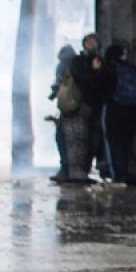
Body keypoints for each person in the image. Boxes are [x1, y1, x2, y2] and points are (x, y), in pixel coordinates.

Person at [61, 34, 107, 183]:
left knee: (92, 141)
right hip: (78, 107)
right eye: (89, 43)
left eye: (94, 43)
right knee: (76, 141)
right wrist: (94, 71)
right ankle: (76, 172)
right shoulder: (78, 62)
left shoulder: (99, 62)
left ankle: (82, 171)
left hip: (93, 107)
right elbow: (85, 81)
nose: (92, 46)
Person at [102, 43, 136, 182]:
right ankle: (125, 172)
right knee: (125, 143)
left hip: (115, 109)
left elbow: (104, 88)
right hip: (132, 110)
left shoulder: (108, 68)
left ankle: (117, 175)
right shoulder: (130, 68)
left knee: (113, 143)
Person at [48, 44, 78, 181]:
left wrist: (54, 91)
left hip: (69, 108)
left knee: (62, 138)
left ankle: (65, 170)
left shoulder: (63, 66)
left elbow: (61, 85)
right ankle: (72, 170)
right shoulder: (78, 65)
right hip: (75, 107)